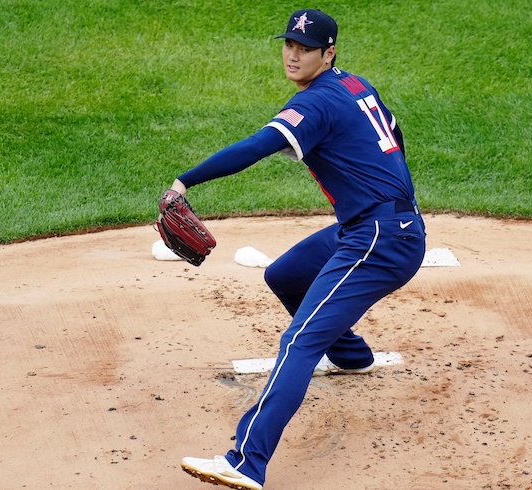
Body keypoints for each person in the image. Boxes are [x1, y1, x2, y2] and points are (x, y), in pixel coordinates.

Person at [176, 9, 426, 489]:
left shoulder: (315, 105)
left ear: (328, 53)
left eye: (305, 48)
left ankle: (247, 461)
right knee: (286, 275)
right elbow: (395, 134)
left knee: (299, 341)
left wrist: (185, 182)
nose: (293, 54)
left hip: (379, 239)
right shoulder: (354, 86)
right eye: (289, 44)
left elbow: (256, 146)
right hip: (376, 226)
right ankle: (352, 354)